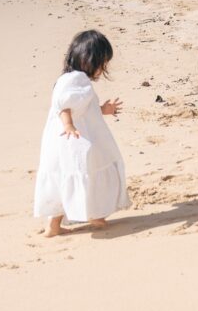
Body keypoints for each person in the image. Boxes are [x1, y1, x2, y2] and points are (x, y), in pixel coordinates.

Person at [34, 30, 129, 236]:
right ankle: (95, 216)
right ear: (89, 60)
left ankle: (53, 226)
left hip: (62, 141)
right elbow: (65, 105)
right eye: (102, 64)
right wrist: (68, 125)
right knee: (90, 173)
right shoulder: (77, 79)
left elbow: (84, 108)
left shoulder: (69, 79)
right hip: (77, 140)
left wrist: (104, 109)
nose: (103, 69)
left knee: (64, 179)